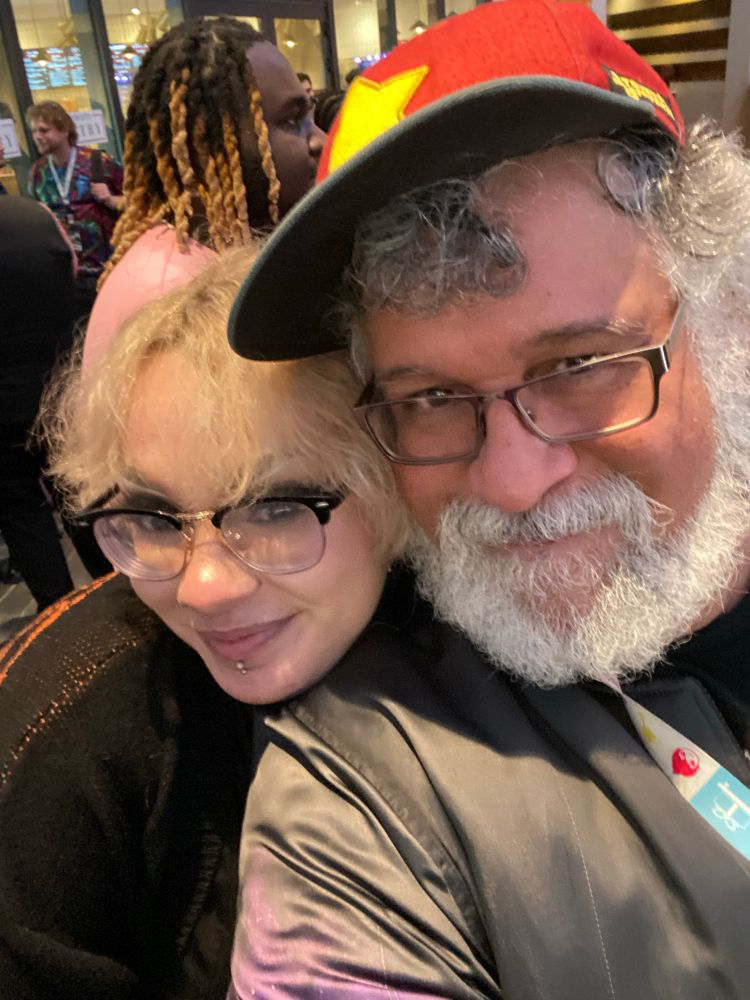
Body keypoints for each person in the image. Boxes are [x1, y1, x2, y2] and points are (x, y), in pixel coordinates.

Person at [226, 0, 750, 996]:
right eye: (429, 398)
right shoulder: (371, 784)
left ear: (731, 321)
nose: (512, 482)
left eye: (582, 363)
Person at [0, 249, 408, 999]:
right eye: (153, 518)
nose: (206, 585)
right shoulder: (65, 757)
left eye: (277, 507)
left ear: (394, 483)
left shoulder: (495, 656)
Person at [83, 17, 325, 368]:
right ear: (203, 149)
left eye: (309, 115)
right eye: (292, 120)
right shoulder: (176, 292)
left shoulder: (204, 252)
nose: (320, 139)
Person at [0, 196, 76, 611]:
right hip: (58, 390)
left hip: (4, 412)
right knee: (80, 500)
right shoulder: (38, 215)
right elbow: (73, 276)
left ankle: (62, 620)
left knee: (22, 517)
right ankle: (120, 597)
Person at [27, 101, 123, 323]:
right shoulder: (37, 174)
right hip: (68, 275)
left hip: (107, 270)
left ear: (64, 130)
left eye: (44, 130)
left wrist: (109, 199)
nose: (37, 136)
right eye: (34, 131)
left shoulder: (97, 162)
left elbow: (139, 202)